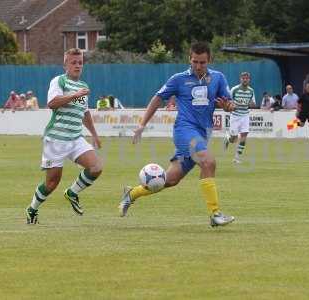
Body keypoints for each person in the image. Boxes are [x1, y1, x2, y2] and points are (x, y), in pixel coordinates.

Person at [118, 42, 235, 227]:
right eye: (195, 61)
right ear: (189, 59)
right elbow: (157, 99)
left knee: (170, 180)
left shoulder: (218, 78)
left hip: (202, 134)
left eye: (202, 62)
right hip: (184, 131)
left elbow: (228, 103)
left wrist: (229, 107)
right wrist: (141, 125)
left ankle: (132, 193)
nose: (198, 66)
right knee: (208, 162)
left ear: (209, 60)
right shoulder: (178, 79)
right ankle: (215, 214)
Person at [25, 48, 103, 224]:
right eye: (73, 62)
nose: (77, 65)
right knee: (52, 183)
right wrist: (73, 95)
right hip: (56, 139)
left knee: (96, 167)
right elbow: (52, 103)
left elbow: (85, 113)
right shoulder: (59, 81)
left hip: (75, 138)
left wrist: (95, 134)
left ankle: (72, 192)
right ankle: (32, 209)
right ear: (65, 64)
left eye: (80, 62)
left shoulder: (84, 87)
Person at [223, 71, 255, 163]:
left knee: (244, 135)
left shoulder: (251, 91)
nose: (245, 80)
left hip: (245, 115)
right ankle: (228, 138)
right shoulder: (234, 89)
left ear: (249, 80)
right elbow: (228, 101)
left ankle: (236, 158)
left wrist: (250, 103)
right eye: (243, 78)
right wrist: (232, 105)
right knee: (234, 138)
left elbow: (253, 104)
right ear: (240, 79)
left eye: (247, 78)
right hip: (235, 115)